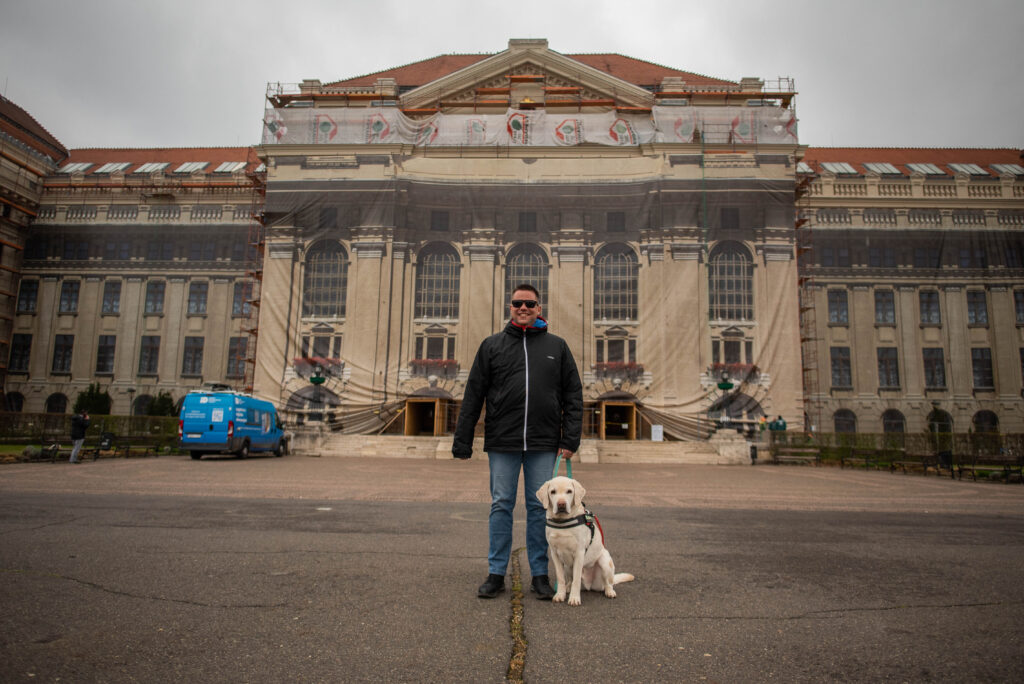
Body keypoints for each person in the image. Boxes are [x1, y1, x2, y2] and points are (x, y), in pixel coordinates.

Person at [453, 284, 583, 600]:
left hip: (543, 442)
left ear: (540, 308)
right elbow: (474, 394)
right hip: (503, 440)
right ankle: (496, 573)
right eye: (517, 303)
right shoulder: (492, 346)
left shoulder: (557, 346)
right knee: (501, 505)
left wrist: (570, 438)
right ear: (510, 307)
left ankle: (540, 575)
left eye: (529, 303)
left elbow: (573, 394)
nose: (522, 307)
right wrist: (463, 439)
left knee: (542, 508)